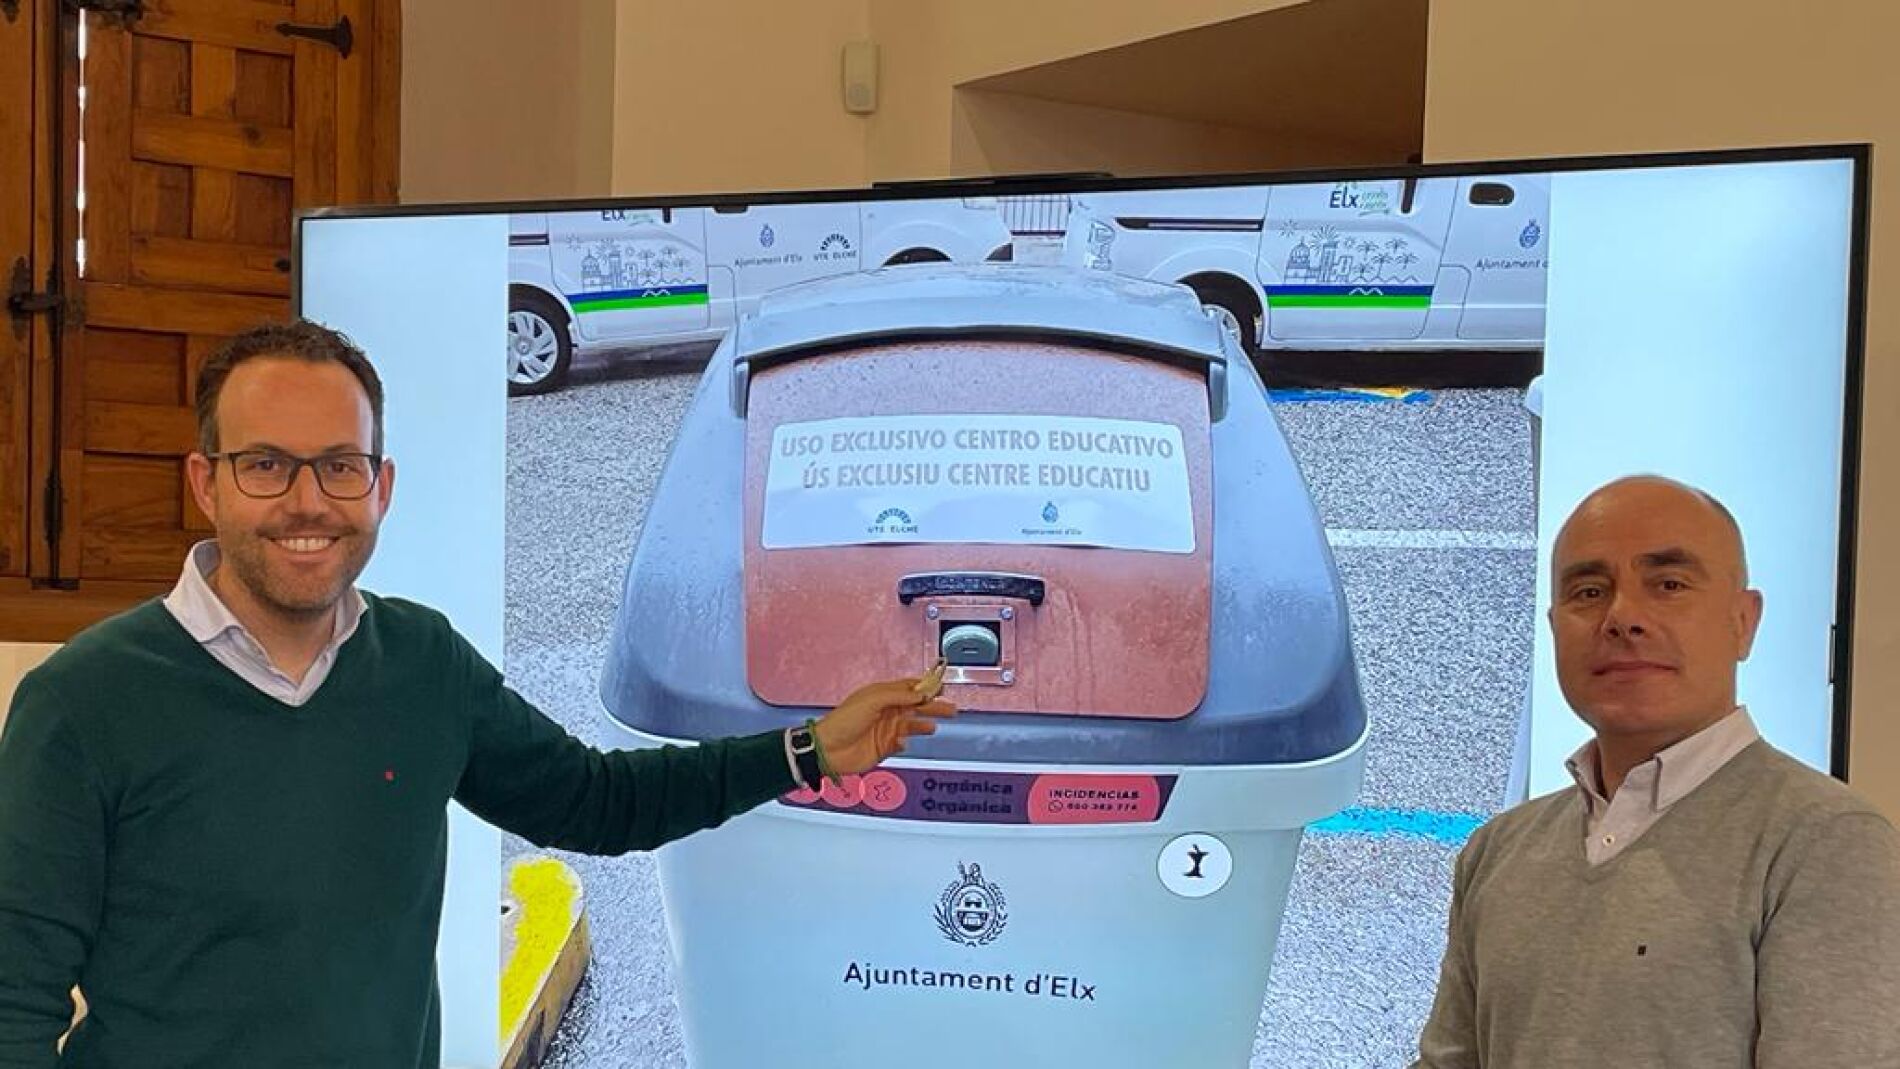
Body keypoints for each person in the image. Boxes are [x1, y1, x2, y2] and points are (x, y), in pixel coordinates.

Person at [0, 320, 955, 1068]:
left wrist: (807, 750)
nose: (308, 500)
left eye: (340, 466)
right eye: (265, 465)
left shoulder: (421, 664)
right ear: (205, 483)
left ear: (381, 487)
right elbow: (14, 1001)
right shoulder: (85, 702)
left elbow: (597, 800)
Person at [1413, 475, 1900, 1067]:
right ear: (1554, 626)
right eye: (1589, 591)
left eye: (1669, 584)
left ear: (1743, 621)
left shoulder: (1825, 842)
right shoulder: (1498, 850)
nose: (1622, 617)